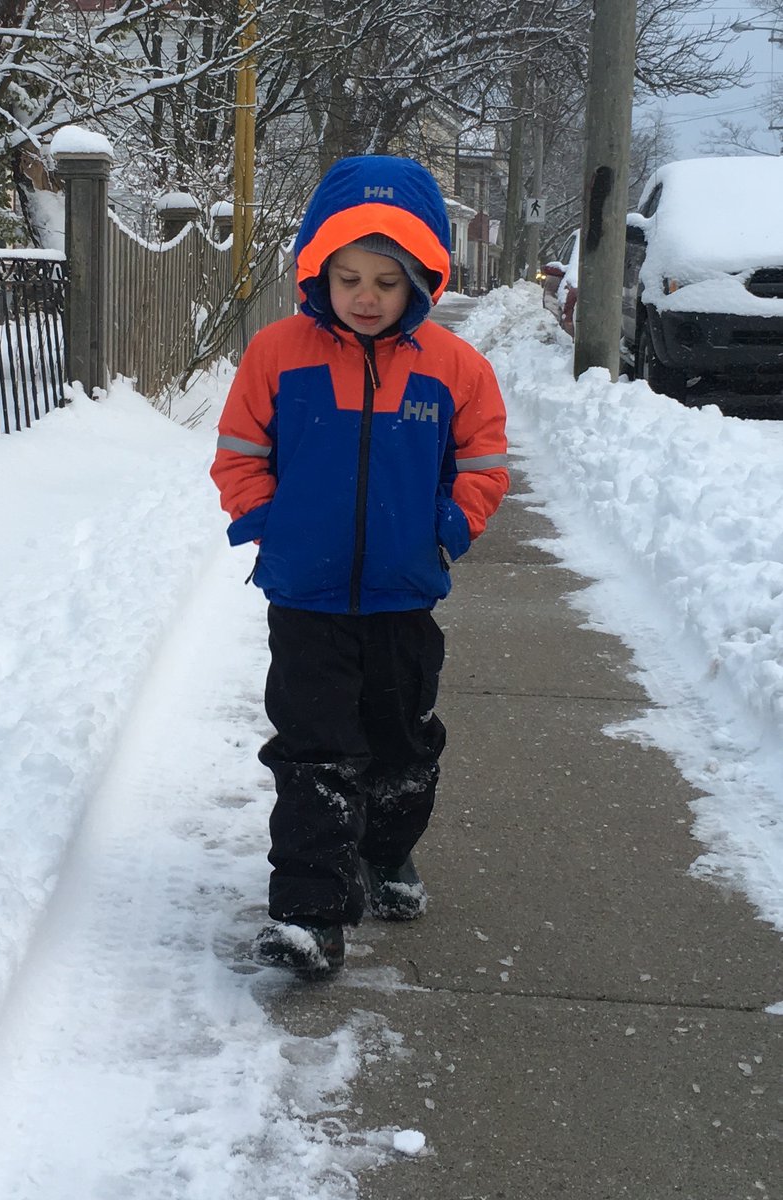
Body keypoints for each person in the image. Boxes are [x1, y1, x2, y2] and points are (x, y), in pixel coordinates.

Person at [210, 154, 509, 979]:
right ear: (320, 272)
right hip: (306, 599)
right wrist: (271, 523)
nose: (366, 295)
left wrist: (447, 531)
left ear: (420, 278)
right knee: (313, 752)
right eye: (348, 277)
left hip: (401, 600)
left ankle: (386, 853)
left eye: (386, 278)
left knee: (402, 747)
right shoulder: (277, 353)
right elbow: (239, 452)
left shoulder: (456, 369)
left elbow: (484, 464)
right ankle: (309, 913)